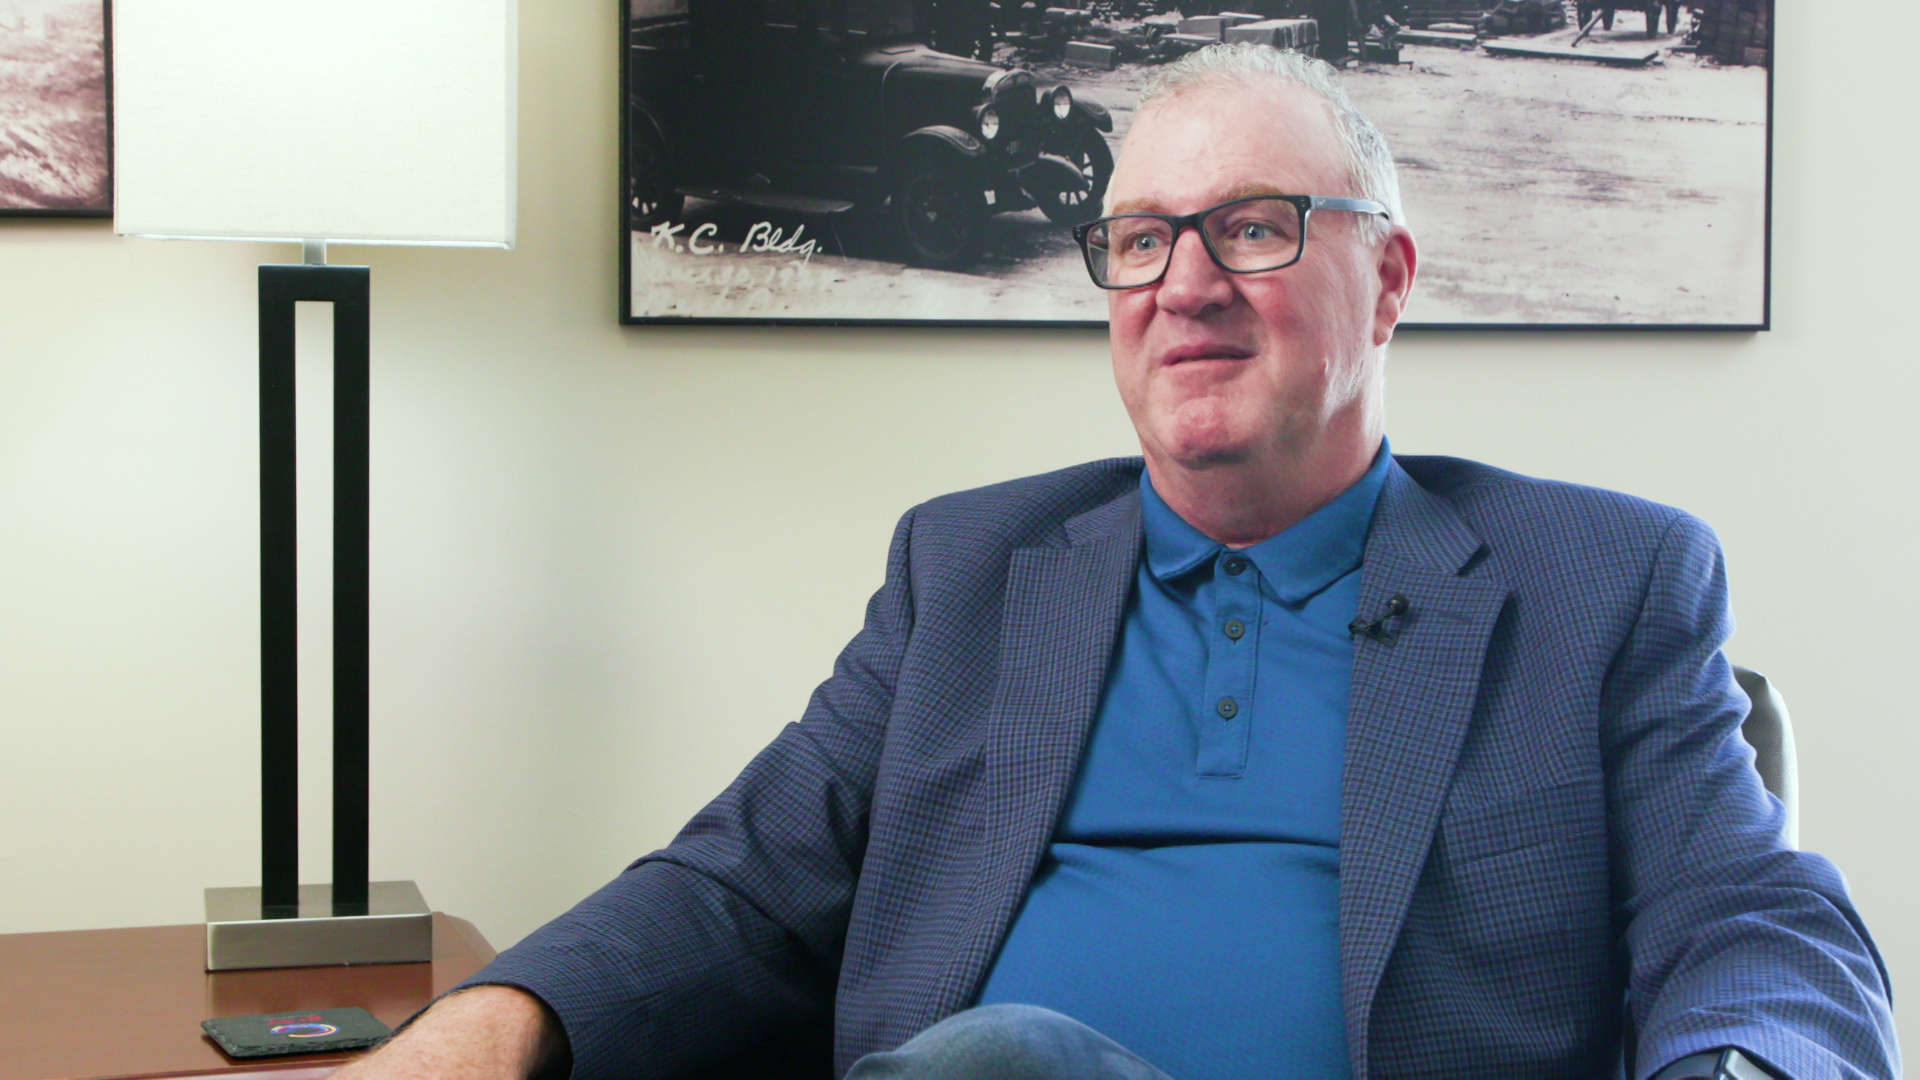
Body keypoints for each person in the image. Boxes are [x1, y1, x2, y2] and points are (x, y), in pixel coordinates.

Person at [335, 44, 1896, 1080]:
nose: (1185, 286)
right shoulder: (973, 568)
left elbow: (1753, 915)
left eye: (1256, 229)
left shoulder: (1594, 583)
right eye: (1141, 239)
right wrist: (485, 1024)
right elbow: (740, 883)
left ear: (1392, 277)